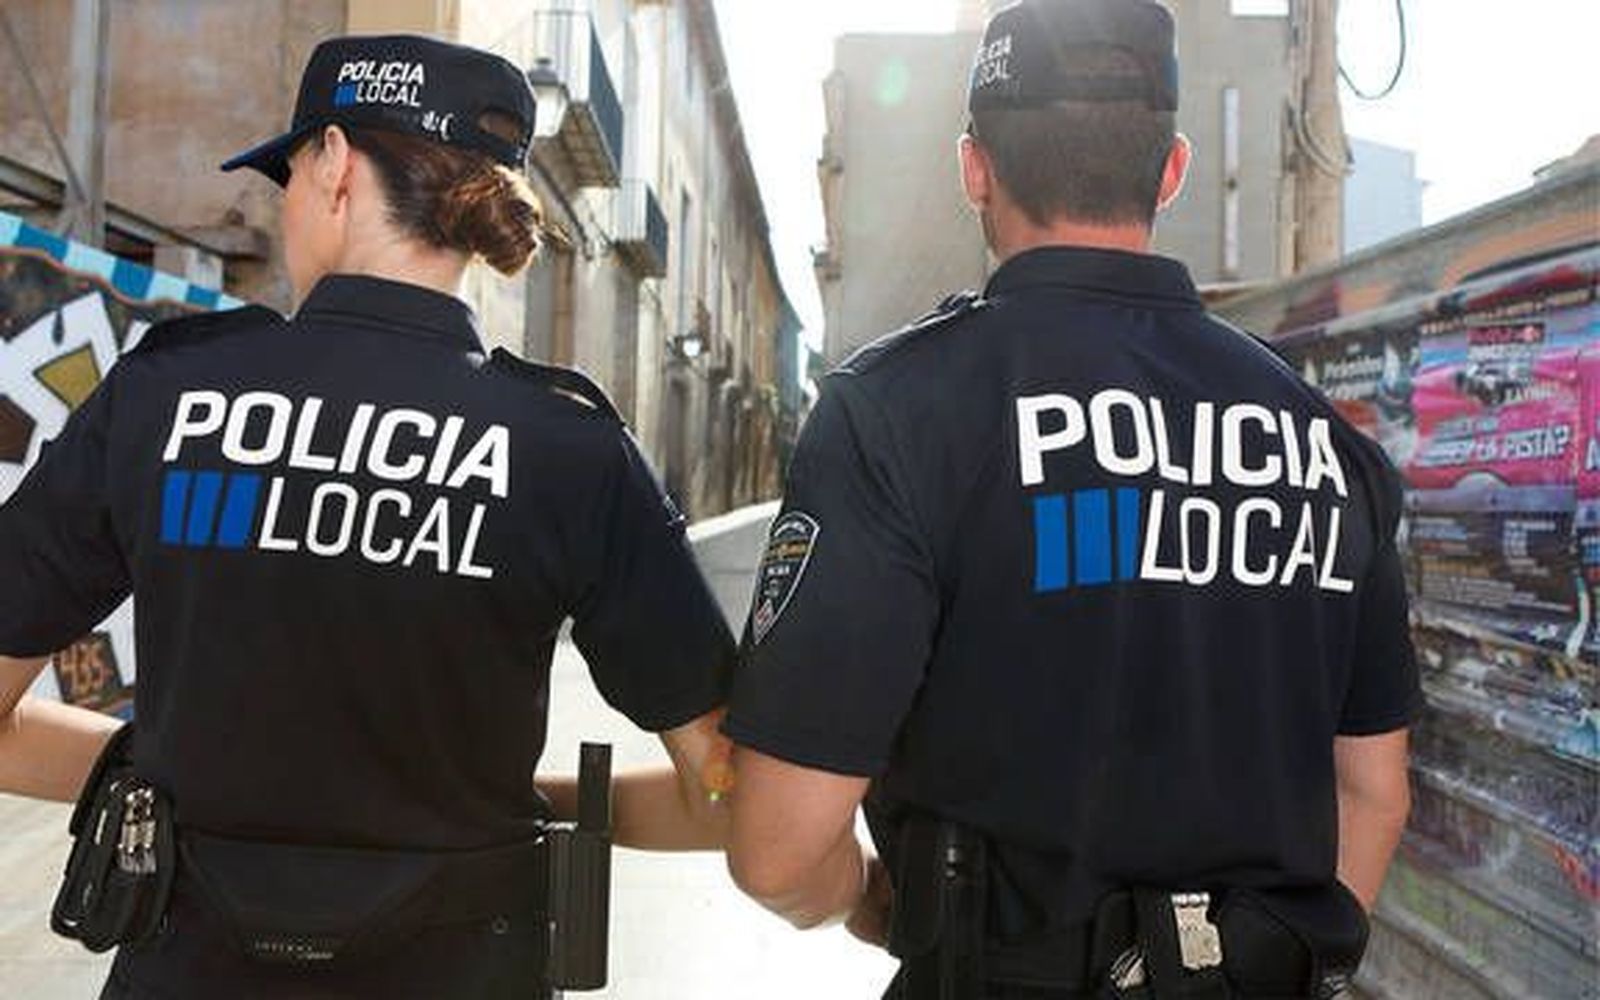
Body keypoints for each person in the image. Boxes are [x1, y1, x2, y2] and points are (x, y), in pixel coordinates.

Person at [0, 34, 735, 1000]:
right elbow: (727, 794)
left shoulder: (162, 397)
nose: (288, 206)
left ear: (337, 166)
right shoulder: (573, 448)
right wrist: (526, 812)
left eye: (291, 176)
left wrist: (174, 788)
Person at [722, 1, 1420, 997]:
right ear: (1171, 170)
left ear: (974, 168)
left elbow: (778, 850)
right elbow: (1372, 794)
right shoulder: (1327, 442)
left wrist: (884, 904)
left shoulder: (898, 415)